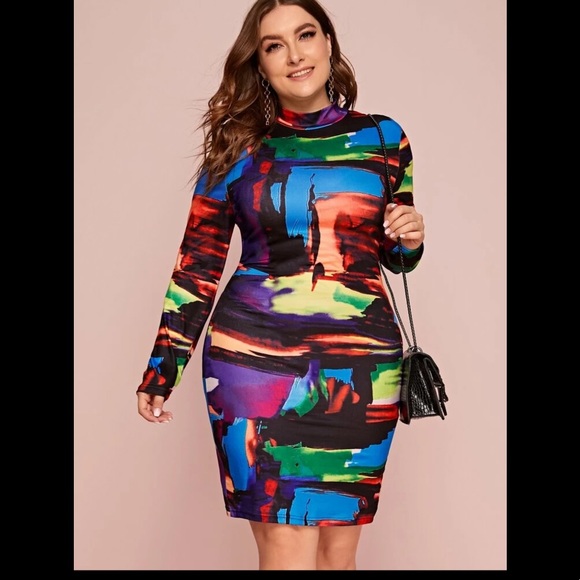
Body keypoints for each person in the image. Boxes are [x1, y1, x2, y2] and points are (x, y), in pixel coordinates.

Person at [136, 0, 425, 570]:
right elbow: (197, 265)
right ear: (260, 63)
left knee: (339, 558)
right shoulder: (237, 148)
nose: (295, 55)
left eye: (305, 35)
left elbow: (394, 255)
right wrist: (161, 369)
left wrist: (411, 237)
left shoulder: (384, 137)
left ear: (328, 42)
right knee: (286, 552)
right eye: (274, 45)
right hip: (256, 365)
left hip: (362, 368)